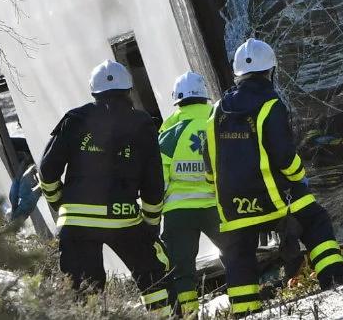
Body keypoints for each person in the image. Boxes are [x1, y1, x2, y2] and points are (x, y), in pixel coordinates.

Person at [205, 38, 343, 316]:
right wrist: (299, 176)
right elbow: (284, 157)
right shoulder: (271, 104)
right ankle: (334, 275)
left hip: (232, 205)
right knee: (315, 219)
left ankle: (246, 310)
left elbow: (209, 163)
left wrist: (220, 192)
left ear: (238, 73)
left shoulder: (216, 112)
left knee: (238, 253)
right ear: (271, 70)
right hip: (274, 198)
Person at [38, 59, 171, 312]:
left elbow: (47, 170)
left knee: (85, 295)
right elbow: (154, 182)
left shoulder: (74, 120)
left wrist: (60, 205)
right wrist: (151, 226)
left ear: (93, 91)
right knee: (153, 279)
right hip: (123, 219)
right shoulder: (142, 125)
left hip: (76, 224)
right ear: (129, 91)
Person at [158, 71, 223, 317]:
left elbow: (160, 172)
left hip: (178, 211)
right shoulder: (216, 116)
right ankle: (247, 303)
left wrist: (155, 208)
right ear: (203, 94)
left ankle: (190, 314)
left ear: (178, 98)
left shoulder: (171, 125)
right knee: (234, 253)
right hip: (215, 205)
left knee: (181, 269)